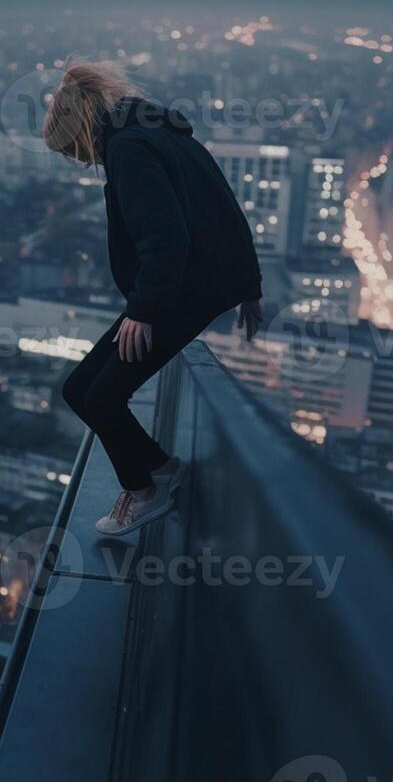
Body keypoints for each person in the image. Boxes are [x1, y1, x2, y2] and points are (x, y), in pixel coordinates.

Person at [44, 61, 264, 535]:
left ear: (80, 131)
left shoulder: (128, 150)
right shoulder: (163, 135)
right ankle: (162, 469)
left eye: (75, 152)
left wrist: (144, 310)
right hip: (195, 286)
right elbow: (224, 209)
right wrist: (249, 287)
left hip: (182, 291)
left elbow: (164, 235)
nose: (84, 161)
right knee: (78, 390)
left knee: (100, 396)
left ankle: (144, 494)